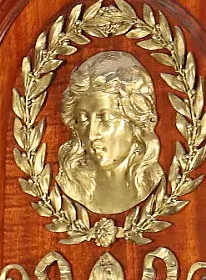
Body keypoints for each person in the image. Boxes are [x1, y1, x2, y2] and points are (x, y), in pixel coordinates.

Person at [56, 50, 163, 215]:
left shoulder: (154, 181)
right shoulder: (71, 186)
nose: (92, 135)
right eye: (83, 120)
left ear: (135, 121)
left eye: (105, 118)